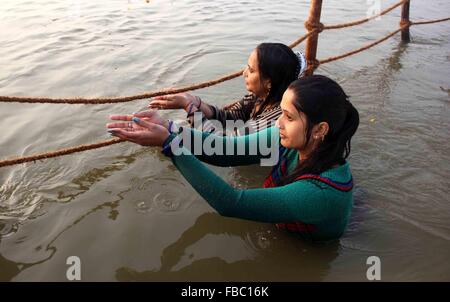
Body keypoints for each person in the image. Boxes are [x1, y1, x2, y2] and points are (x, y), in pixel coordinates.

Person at [107, 75, 359, 241]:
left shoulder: (321, 193)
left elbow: (232, 202)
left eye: (289, 117)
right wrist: (170, 129)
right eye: (281, 113)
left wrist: (170, 145)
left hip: (310, 251)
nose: (279, 123)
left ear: (320, 129)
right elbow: (227, 150)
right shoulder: (294, 139)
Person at [147, 43, 307, 135]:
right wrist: (194, 102)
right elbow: (231, 117)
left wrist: (186, 109)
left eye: (251, 70)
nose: (244, 73)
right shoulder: (263, 95)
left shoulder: (278, 117)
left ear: (269, 82)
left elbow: (223, 145)